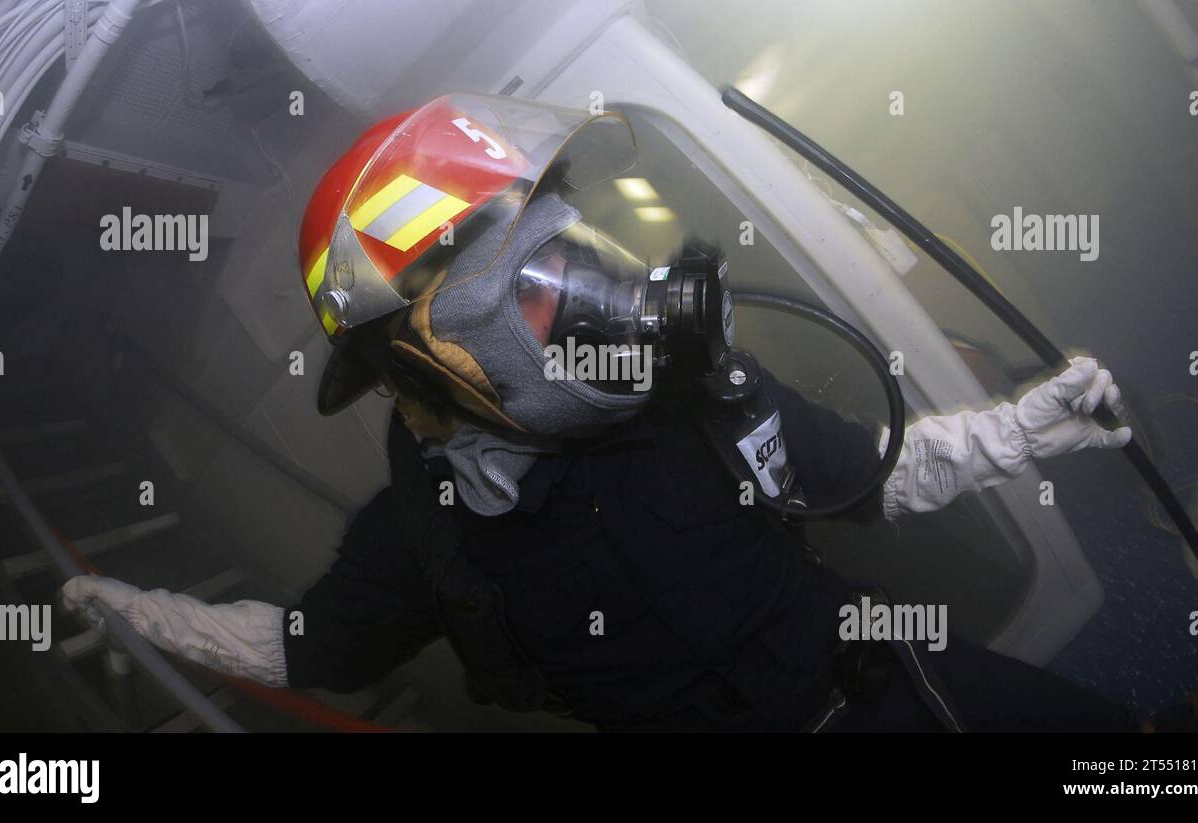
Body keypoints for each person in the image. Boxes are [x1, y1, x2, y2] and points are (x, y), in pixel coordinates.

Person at [62, 95, 1136, 732]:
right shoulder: (425, 537)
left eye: (573, 251)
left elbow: (875, 472)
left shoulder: (697, 391)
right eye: (537, 286)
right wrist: (138, 610)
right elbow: (305, 647)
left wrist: (1019, 430)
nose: (603, 299)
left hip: (907, 682)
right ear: (419, 366)